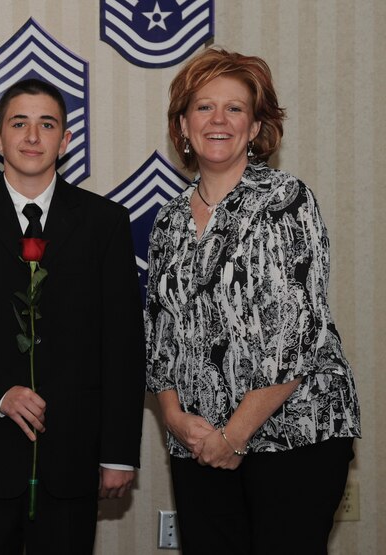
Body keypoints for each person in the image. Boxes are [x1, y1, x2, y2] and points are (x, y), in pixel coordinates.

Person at [145, 47, 361, 555]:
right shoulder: (168, 220)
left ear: (257, 126)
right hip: (198, 442)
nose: (218, 120)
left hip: (294, 436)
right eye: (203, 107)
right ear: (182, 125)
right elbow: (158, 336)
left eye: (235, 108)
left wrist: (234, 436)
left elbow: (297, 335)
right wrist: (176, 419)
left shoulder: (287, 200)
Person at [0, 79, 146, 554]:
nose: (32, 137)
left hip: (73, 459)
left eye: (47, 125)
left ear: (65, 141)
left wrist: (119, 453)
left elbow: (123, 345)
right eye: (18, 123)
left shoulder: (105, 223)